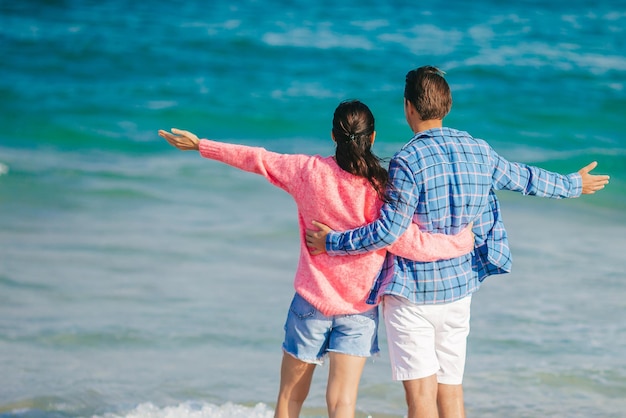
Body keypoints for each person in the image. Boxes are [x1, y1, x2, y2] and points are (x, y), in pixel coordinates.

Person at [305, 68, 610, 418]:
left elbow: (387, 232)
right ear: (446, 105)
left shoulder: (408, 161)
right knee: (451, 396)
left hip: (413, 294)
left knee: (421, 401)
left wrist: (332, 242)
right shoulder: (478, 150)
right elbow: (523, 177)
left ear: (409, 108)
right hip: (458, 290)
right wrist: (573, 184)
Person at [158, 100, 476, 418]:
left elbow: (257, 159)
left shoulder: (308, 172)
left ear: (333, 136)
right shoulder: (383, 186)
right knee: (342, 404)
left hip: (311, 302)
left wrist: (201, 145)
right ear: (373, 137)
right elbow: (406, 241)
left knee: (290, 399)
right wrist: (459, 242)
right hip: (358, 310)